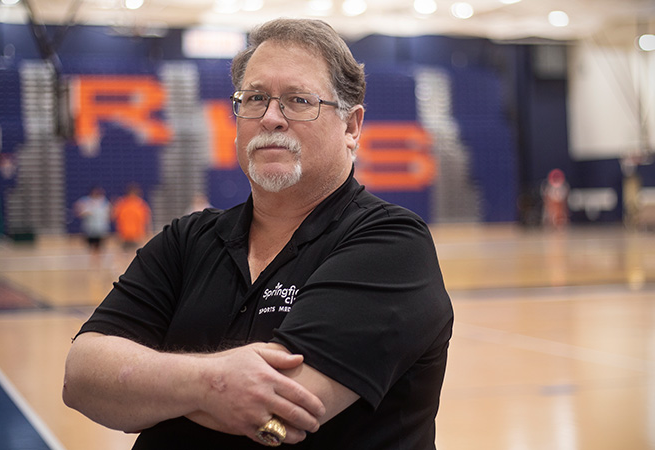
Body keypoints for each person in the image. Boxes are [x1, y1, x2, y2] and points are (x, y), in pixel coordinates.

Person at [63, 18, 453, 449]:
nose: (271, 117)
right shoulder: (186, 240)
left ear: (351, 127)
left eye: (298, 100)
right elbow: (81, 377)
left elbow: (277, 411)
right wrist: (212, 382)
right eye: (255, 98)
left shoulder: (391, 244)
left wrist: (150, 386)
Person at [112, 183, 152, 250]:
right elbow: (114, 217)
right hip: (125, 234)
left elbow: (146, 220)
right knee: (127, 255)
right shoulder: (122, 203)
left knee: (133, 254)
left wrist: (147, 233)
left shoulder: (140, 204)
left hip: (136, 235)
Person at [73, 186, 111, 253]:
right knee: (91, 247)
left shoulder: (104, 202)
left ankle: (97, 260)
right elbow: (79, 210)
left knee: (100, 247)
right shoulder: (86, 201)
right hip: (90, 229)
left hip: (101, 229)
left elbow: (109, 213)